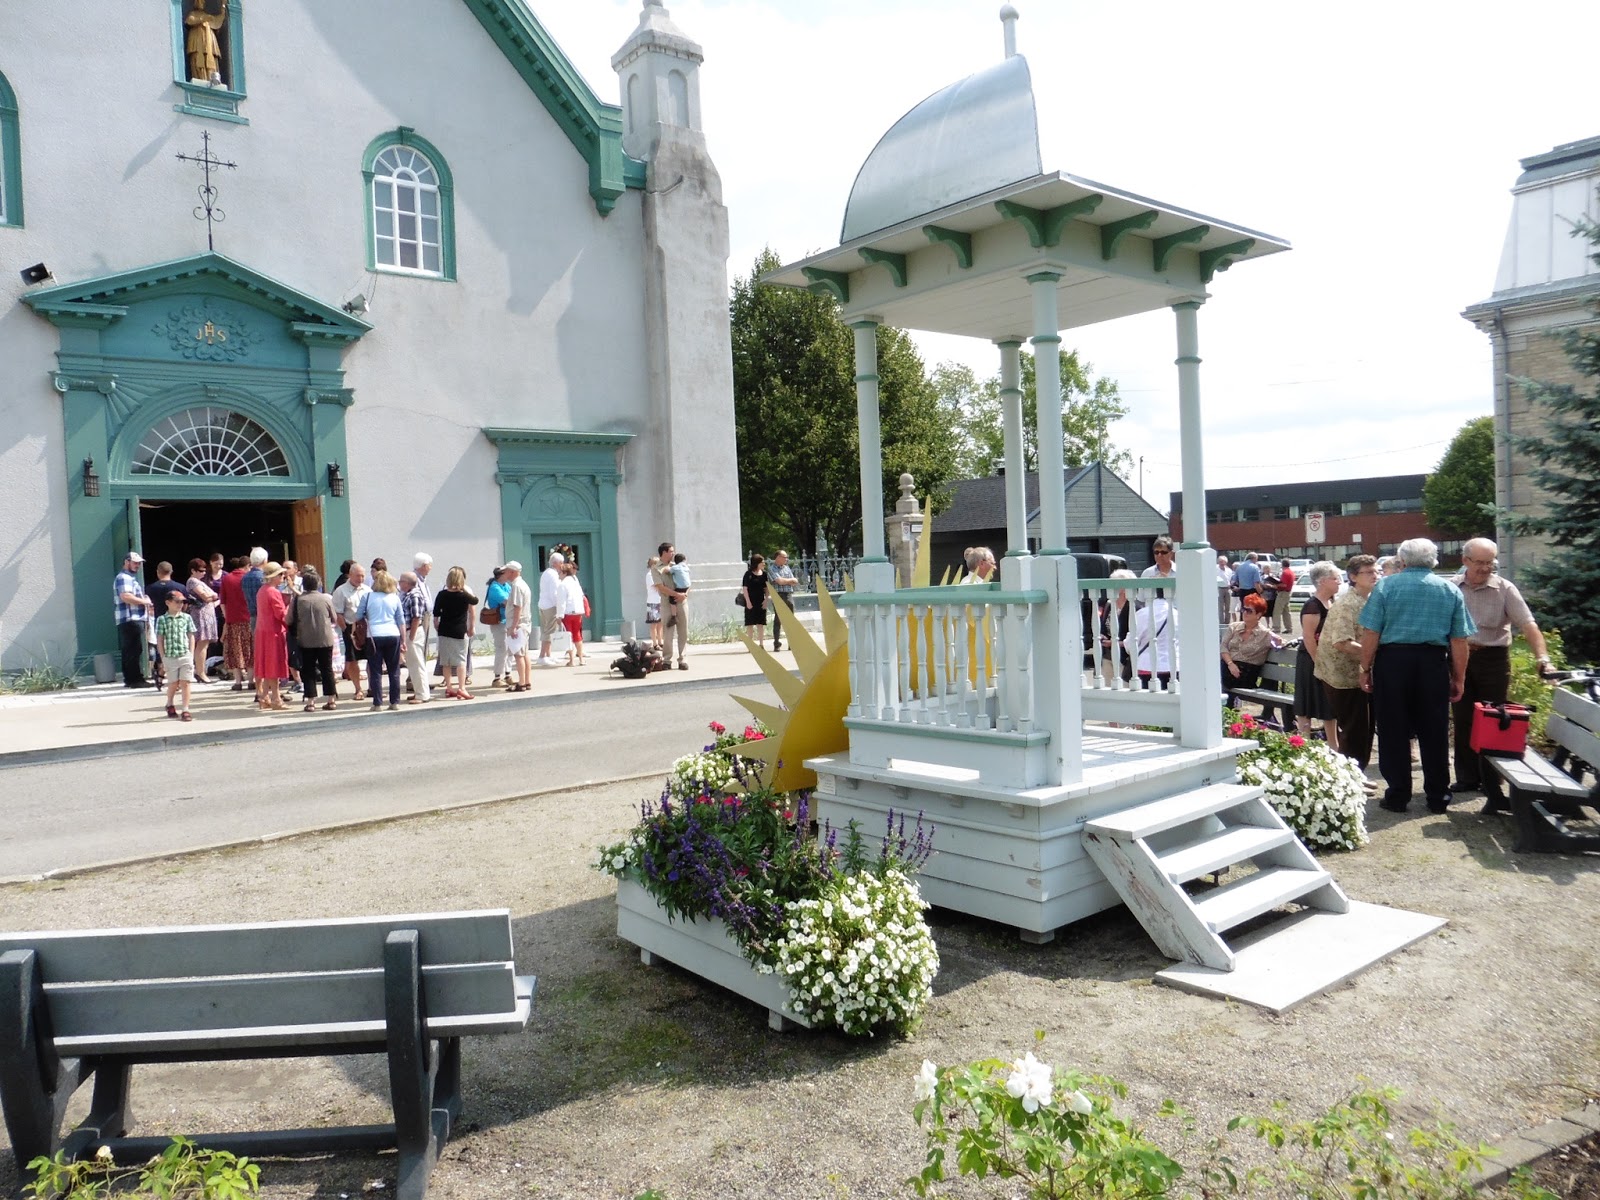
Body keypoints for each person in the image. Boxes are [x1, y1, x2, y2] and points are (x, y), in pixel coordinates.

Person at [1358, 538, 1475, 814]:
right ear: (1433, 560)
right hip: (1432, 663)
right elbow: (1459, 640)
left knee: (1392, 728)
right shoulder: (1449, 590)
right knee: (1434, 730)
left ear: (1402, 560)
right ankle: (1438, 796)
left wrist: (1365, 668)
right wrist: (1459, 678)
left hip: (1393, 662)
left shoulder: (1385, 586)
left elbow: (1371, 632)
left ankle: (1398, 794)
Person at [1453, 538, 1556, 810]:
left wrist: (1542, 657)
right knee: (1463, 717)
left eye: (1491, 563)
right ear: (1465, 561)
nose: (1486, 568)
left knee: (1495, 718)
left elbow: (1528, 624)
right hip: (1458, 657)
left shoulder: (1505, 589)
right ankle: (1466, 778)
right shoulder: (1451, 587)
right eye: (1481, 563)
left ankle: (1492, 780)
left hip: (1493, 659)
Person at [1315, 555, 1379, 779]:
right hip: (1342, 677)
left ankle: (1354, 777)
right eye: (1368, 572)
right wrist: (1374, 654)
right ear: (1352, 577)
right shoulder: (1348, 603)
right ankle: (1350, 780)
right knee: (1355, 732)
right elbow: (1342, 642)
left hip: (1357, 675)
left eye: (1376, 571)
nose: (1375, 575)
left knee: (1363, 730)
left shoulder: (1367, 599)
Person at [1294, 561, 1341, 745]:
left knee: (1329, 705)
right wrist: (1319, 663)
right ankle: (1303, 743)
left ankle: (1333, 746)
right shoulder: (1312, 606)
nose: (1339, 582)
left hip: (1329, 660)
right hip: (1311, 660)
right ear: (1322, 581)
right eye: (1335, 578)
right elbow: (1308, 637)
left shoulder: (1331, 602)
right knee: (1306, 703)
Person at [356, 569, 405, 711]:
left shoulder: (368, 596)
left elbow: (358, 616)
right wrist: (403, 640)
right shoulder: (394, 597)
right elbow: (400, 620)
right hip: (393, 634)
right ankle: (394, 701)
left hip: (374, 635)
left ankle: (377, 703)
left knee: (375, 670)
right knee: (393, 669)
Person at [291, 571, 339, 711]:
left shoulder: (298, 600)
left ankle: (311, 701)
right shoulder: (326, 599)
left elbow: (289, 619)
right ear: (318, 584)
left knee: (308, 670)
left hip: (306, 640)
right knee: (327, 669)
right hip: (325, 638)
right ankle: (331, 700)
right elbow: (335, 618)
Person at [1221, 594, 1275, 706]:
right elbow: (1223, 646)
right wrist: (1230, 664)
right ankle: (1227, 710)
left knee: (1217, 678)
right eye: (1244, 609)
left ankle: (1227, 710)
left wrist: (1279, 641)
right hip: (1229, 666)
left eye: (1249, 611)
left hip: (1247, 672)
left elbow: (1281, 643)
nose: (1245, 613)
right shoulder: (1234, 627)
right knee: (1216, 675)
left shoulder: (1265, 634)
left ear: (1258, 614)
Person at [434, 566, 480, 696]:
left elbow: (436, 612)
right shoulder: (464, 595)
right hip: (459, 630)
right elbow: (475, 600)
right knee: (461, 660)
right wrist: (463, 588)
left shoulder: (442, 594)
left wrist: (436, 624)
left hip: (444, 630)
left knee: (446, 661)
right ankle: (461, 687)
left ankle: (449, 686)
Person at [154, 589, 197, 721]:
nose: (180, 604)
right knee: (173, 683)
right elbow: (160, 639)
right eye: (177, 602)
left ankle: (185, 709)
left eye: (182, 602)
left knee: (186, 683)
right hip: (170, 656)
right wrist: (163, 657)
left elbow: (191, 636)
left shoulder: (186, 618)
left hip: (184, 654)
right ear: (168, 602)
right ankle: (170, 702)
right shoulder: (162, 619)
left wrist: (191, 654)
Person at [252, 562, 290, 711]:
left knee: (266, 665)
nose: (283, 577)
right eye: (281, 574)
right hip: (273, 632)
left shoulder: (262, 590)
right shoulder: (273, 592)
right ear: (274, 576)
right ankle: (276, 699)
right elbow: (281, 614)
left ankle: (265, 696)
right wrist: (290, 611)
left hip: (262, 631)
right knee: (274, 665)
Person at [145, 561, 189, 688]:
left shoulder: (150, 588)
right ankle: (175, 678)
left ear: (158, 572)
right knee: (178, 647)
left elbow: (148, 605)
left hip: (159, 620)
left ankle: (160, 673)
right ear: (171, 572)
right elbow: (185, 605)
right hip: (177, 620)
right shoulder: (180, 587)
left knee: (161, 647)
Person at [114, 551, 154, 688]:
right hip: (130, 618)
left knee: (132, 649)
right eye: (135, 562)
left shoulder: (129, 578)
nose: (138, 565)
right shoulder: (124, 577)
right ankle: (135, 680)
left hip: (132, 618)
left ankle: (131, 679)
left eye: (139, 563)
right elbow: (125, 596)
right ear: (126, 562)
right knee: (133, 649)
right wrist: (145, 602)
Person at [1125, 589, 1178, 690]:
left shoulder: (1142, 614)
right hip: (1173, 666)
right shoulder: (1177, 614)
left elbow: (1131, 644)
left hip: (1146, 666)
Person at [331, 562, 369, 701]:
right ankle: (358, 689)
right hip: (350, 628)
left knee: (371, 658)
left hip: (366, 628)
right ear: (350, 575)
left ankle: (372, 687)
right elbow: (338, 613)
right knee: (353, 660)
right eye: (358, 576)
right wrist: (346, 631)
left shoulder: (367, 590)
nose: (361, 579)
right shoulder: (341, 591)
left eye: (363, 576)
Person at [397, 572, 432, 704]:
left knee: (417, 663)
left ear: (407, 583)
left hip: (413, 633)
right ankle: (418, 691)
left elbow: (416, 617)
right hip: (410, 632)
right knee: (412, 664)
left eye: (401, 581)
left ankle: (422, 695)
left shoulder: (414, 595)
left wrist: (410, 636)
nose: (399, 584)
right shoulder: (407, 595)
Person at [218, 555, 252, 691]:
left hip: (233, 621)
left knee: (235, 651)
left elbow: (223, 602)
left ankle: (238, 682)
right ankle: (251, 681)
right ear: (247, 566)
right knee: (250, 650)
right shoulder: (249, 579)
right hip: (249, 619)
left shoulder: (227, 578)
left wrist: (227, 618)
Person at [654, 542, 689, 670]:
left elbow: (688, 582)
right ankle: (667, 660)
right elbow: (660, 587)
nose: (673, 553)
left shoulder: (678, 565)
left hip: (682, 602)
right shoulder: (656, 568)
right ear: (663, 553)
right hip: (667, 604)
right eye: (671, 551)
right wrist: (676, 594)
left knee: (683, 631)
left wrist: (684, 594)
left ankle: (683, 659)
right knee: (668, 632)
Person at [1099, 569, 1137, 688]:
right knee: (1108, 686)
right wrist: (1103, 637)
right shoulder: (1109, 604)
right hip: (1108, 655)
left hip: (1125, 658)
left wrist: (1117, 643)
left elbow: (1137, 635)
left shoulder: (1135, 606)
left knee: (1125, 688)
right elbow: (1105, 626)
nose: (1112, 586)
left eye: (1116, 583)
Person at [185, 559, 219, 683]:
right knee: (201, 644)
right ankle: (200, 672)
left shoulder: (199, 582)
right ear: (193, 570)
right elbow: (206, 597)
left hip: (206, 614)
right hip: (200, 616)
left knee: (204, 644)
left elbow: (212, 597)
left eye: (205, 570)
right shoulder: (193, 581)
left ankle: (200, 671)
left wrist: (212, 597)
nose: (204, 573)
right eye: (200, 571)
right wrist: (212, 596)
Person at [504, 561, 534, 692]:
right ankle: (527, 681)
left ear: (512, 572)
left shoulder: (516, 586)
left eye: (507, 571)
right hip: (525, 623)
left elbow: (517, 607)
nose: (505, 574)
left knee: (518, 655)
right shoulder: (523, 584)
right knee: (524, 653)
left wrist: (513, 627)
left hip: (519, 624)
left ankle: (521, 682)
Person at [483, 565, 511, 687]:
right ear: (501, 575)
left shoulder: (506, 585)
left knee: (509, 648)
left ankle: (508, 674)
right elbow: (507, 601)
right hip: (499, 622)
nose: (509, 575)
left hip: (507, 621)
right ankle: (497, 677)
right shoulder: (495, 587)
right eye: (507, 573)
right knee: (502, 648)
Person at [537, 552, 565, 667]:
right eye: (561, 563)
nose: (562, 565)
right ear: (555, 563)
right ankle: (542, 656)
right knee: (549, 631)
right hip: (550, 606)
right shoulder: (553, 575)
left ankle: (548, 655)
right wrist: (559, 608)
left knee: (546, 630)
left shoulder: (546, 573)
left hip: (543, 604)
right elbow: (554, 593)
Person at [558, 560, 588, 667]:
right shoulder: (576, 583)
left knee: (568, 636)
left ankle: (571, 660)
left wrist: (559, 615)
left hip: (567, 613)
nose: (559, 575)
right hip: (578, 612)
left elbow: (561, 602)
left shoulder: (562, 585)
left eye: (560, 572)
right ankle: (581, 659)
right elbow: (581, 596)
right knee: (577, 635)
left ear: (565, 573)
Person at [769, 549, 798, 651]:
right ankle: (777, 643)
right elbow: (779, 581)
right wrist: (788, 581)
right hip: (778, 595)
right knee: (778, 620)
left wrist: (787, 581)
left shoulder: (787, 568)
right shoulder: (772, 569)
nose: (786, 559)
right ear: (778, 558)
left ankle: (792, 643)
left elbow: (795, 581)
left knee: (791, 620)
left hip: (789, 594)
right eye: (784, 557)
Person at [740, 553, 769, 645]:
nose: (764, 564)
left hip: (760, 601)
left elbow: (766, 588)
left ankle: (761, 644)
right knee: (750, 624)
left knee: (760, 623)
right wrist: (748, 602)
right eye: (762, 562)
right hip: (750, 601)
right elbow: (745, 588)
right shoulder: (748, 574)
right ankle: (751, 644)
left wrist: (766, 600)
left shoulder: (764, 574)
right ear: (757, 563)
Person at [1271, 558, 1297, 636]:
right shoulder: (1291, 572)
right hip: (1288, 593)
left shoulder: (1285, 573)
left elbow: (1284, 584)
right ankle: (1289, 628)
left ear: (1282, 564)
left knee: (1277, 611)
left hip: (1283, 593)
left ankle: (1276, 628)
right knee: (1286, 612)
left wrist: (1274, 585)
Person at [644, 555, 664, 652]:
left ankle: (661, 641)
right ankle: (655, 643)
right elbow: (657, 586)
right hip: (652, 602)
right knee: (653, 624)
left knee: (660, 623)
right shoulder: (650, 575)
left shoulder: (657, 574)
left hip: (660, 601)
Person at [1216, 556, 1235, 624]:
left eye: (1223, 562)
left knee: (1228, 607)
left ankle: (1227, 622)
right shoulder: (1215, 569)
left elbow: (1230, 579)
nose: (1222, 563)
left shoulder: (1229, 570)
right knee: (1220, 607)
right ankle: (1221, 622)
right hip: (1219, 588)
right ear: (1218, 562)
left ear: (1226, 562)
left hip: (1227, 589)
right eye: (1220, 561)